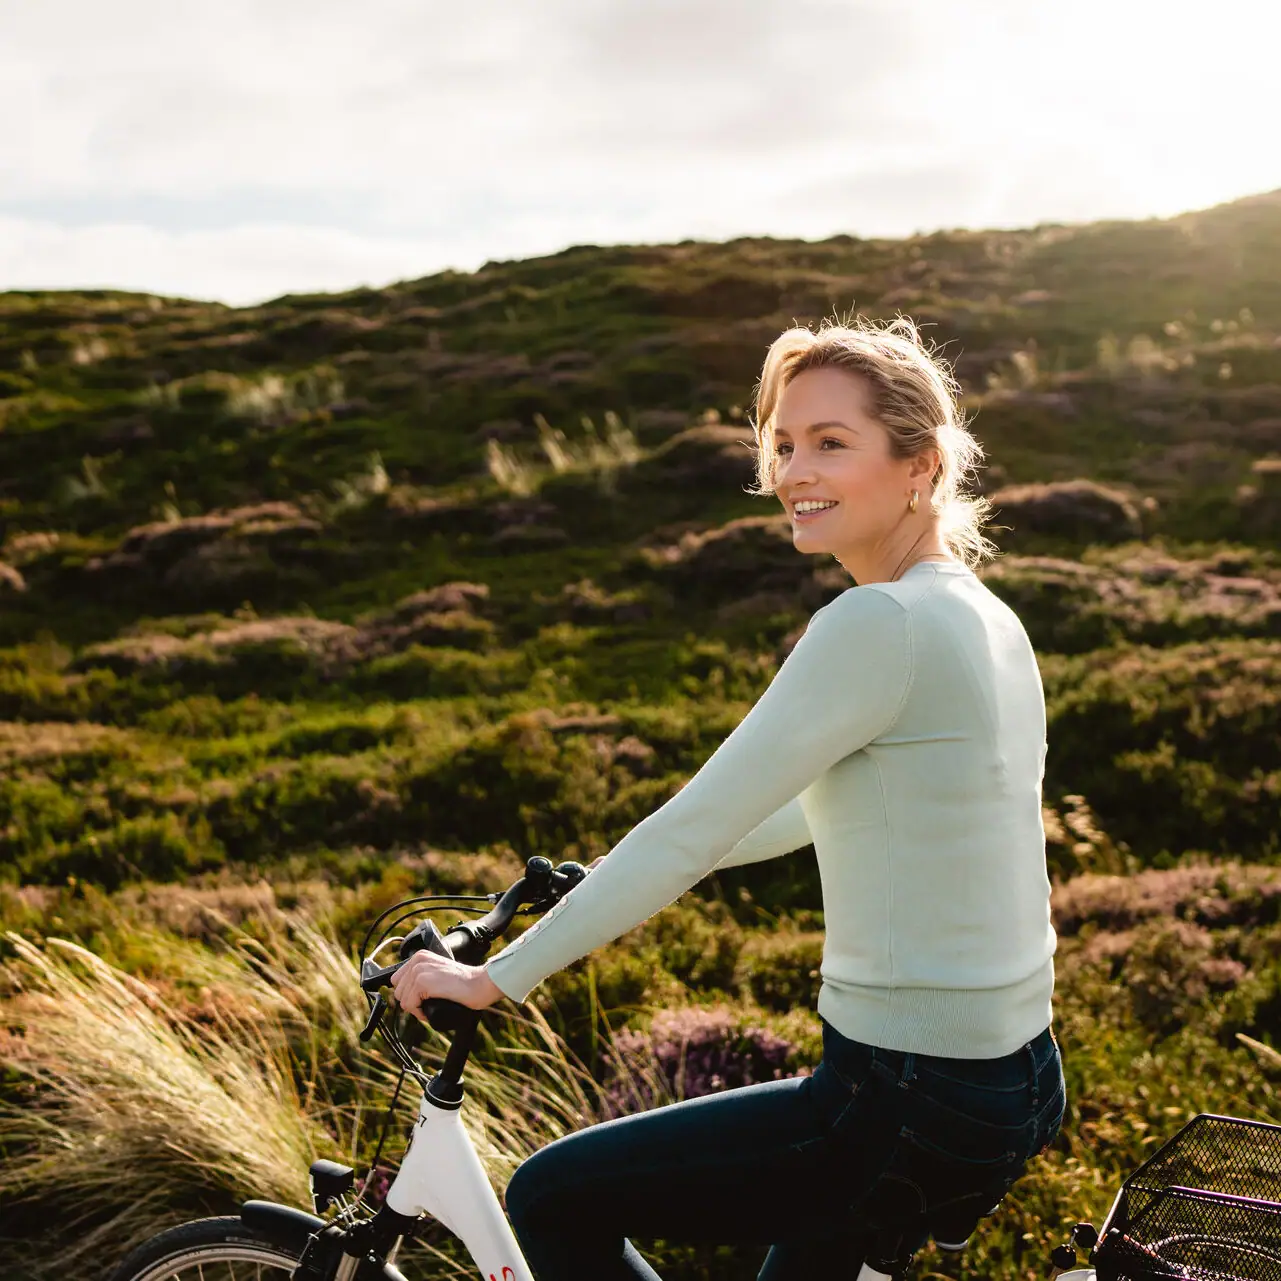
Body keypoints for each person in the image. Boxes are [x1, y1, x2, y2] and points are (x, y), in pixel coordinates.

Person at [391, 315, 1066, 1281]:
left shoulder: (874, 620)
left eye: (831, 443)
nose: (795, 470)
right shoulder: (981, 612)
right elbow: (822, 809)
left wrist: (496, 978)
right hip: (1012, 1077)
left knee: (551, 1196)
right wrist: (604, 882)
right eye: (783, 443)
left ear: (919, 465)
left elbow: (691, 827)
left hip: (900, 1096)